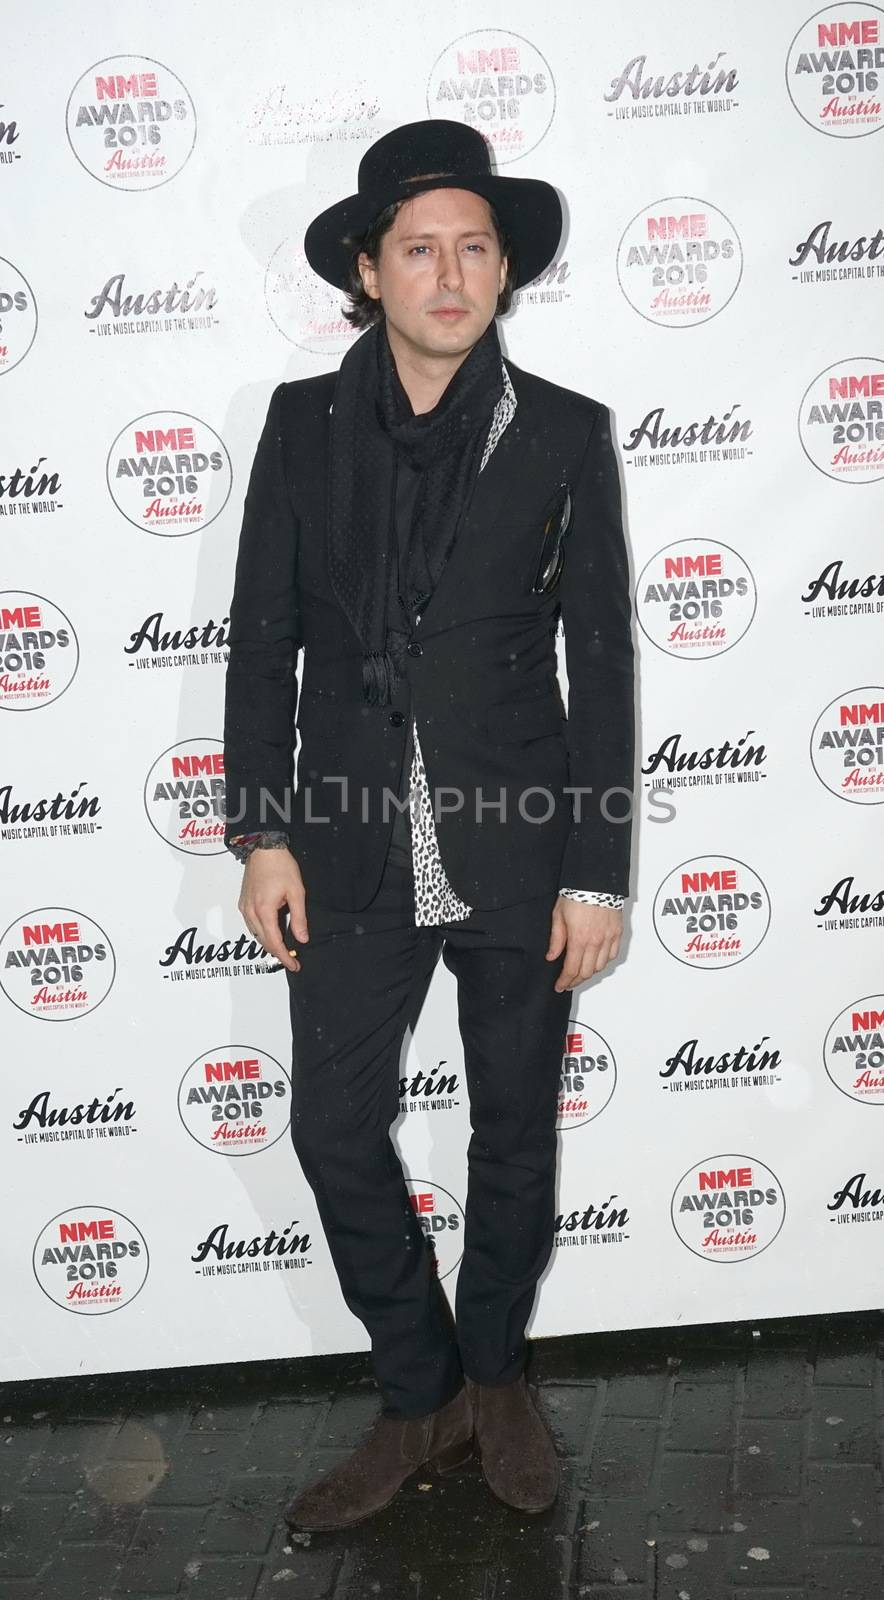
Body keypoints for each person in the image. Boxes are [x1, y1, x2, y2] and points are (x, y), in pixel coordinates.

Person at [222, 118, 635, 1531]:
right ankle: (423, 1389)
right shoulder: (302, 423)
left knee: (513, 1125)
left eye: (474, 246)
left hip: (518, 837)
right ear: (368, 266)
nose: (448, 272)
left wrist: (597, 867)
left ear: (504, 267)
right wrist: (260, 833)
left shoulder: (567, 432)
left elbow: (606, 661)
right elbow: (260, 636)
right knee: (334, 1126)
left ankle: (500, 1376)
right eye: (419, 248)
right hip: (341, 842)